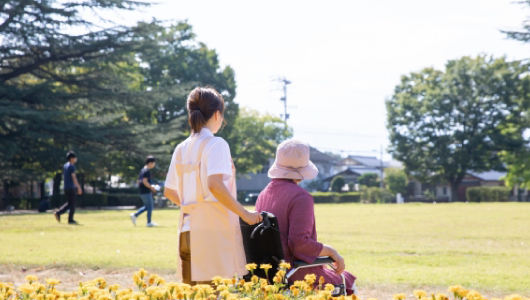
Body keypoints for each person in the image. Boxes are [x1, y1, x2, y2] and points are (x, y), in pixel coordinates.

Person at [164, 87, 262, 285]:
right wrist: (245, 214)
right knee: (214, 294)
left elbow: (169, 191)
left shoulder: (181, 148)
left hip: (186, 231)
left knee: (193, 295)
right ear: (217, 114)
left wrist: (192, 207)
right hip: (211, 234)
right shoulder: (216, 144)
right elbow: (215, 185)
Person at [255, 139, 357, 295]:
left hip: (268, 274)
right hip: (296, 273)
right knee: (347, 280)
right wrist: (331, 251)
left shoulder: (262, 195)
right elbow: (299, 244)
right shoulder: (301, 197)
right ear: (302, 170)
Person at [54, 151, 82, 224]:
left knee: (70, 203)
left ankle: (58, 213)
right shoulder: (72, 166)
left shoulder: (65, 165)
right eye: (75, 157)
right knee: (73, 203)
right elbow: (74, 177)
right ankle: (70, 219)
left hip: (66, 187)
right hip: (71, 187)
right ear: (72, 158)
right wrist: (78, 187)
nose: (76, 159)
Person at [130, 156, 158, 227]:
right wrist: (152, 188)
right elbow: (145, 182)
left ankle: (135, 215)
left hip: (142, 191)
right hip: (145, 192)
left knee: (147, 207)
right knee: (150, 207)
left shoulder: (142, 170)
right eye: (154, 163)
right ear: (150, 163)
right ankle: (149, 222)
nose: (154, 164)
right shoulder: (146, 171)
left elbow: (138, 181)